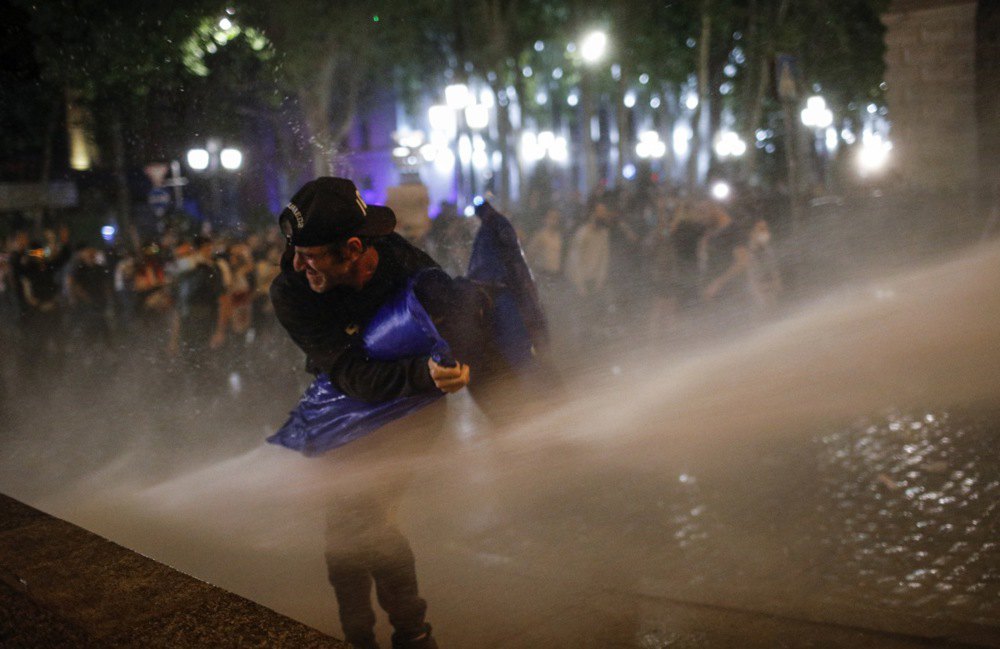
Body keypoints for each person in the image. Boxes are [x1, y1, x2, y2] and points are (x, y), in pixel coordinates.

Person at [270, 177, 470, 649]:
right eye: (295, 250)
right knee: (345, 526)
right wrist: (424, 373)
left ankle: (409, 634)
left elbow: (453, 318)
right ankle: (363, 632)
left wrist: (456, 365)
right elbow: (351, 376)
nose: (297, 263)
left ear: (355, 248)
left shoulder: (402, 262)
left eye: (311, 253)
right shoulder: (292, 289)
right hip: (342, 408)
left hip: (411, 414)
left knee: (367, 520)